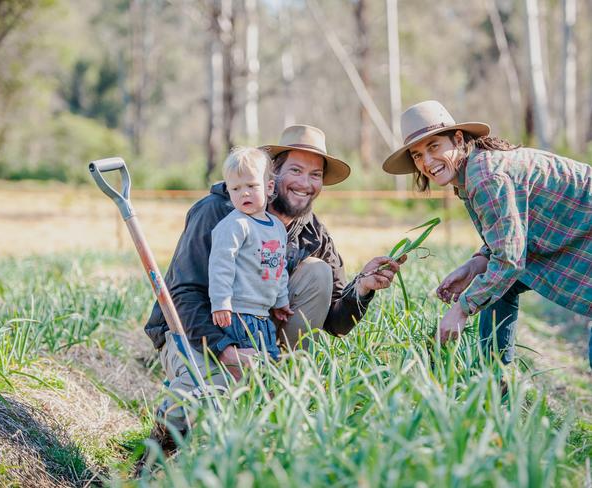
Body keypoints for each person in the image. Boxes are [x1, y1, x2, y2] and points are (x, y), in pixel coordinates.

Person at [144, 124, 405, 452]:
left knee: (318, 273)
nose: (305, 183)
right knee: (207, 409)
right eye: (295, 170)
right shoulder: (219, 212)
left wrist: (363, 288)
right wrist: (227, 351)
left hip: (260, 333)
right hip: (196, 332)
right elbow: (184, 295)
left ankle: (276, 384)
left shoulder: (313, 234)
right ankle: (169, 429)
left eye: (315, 174)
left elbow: (335, 320)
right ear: (273, 175)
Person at [382, 99, 592, 367]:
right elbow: (509, 236)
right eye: (417, 155)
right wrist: (473, 267)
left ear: (458, 139)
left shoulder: (485, 176)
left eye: (434, 147)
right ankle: (493, 382)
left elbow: (509, 259)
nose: (427, 161)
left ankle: (492, 382)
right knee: (495, 285)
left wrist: (461, 310)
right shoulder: (473, 172)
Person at [209, 146, 291, 364]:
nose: (244, 193)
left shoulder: (277, 227)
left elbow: (278, 267)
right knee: (250, 364)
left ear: (269, 187)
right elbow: (220, 265)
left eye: (252, 186)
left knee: (269, 363)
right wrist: (221, 302)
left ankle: (265, 398)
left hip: (264, 314)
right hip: (238, 313)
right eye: (235, 189)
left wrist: (281, 300)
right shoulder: (235, 225)